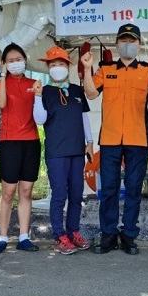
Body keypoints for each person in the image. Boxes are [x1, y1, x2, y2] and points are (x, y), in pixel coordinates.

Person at [81, 23, 148, 255]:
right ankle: (108, 234)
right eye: (123, 40)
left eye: (132, 40)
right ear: (117, 44)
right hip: (110, 138)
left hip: (138, 139)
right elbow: (91, 93)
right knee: (109, 189)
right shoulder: (106, 69)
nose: (128, 44)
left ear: (139, 44)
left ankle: (129, 235)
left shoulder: (147, 70)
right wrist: (87, 68)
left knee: (134, 188)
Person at [32, 46, 94, 255]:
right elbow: (40, 119)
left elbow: (84, 117)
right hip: (57, 151)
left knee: (77, 193)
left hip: (77, 150)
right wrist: (37, 96)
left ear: (68, 66)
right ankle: (59, 235)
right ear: (48, 68)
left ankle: (73, 231)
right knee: (59, 194)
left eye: (61, 64)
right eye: (53, 64)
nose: (57, 67)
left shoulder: (77, 90)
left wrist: (90, 141)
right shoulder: (45, 91)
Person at [0, 43, 41, 253]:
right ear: (3, 63)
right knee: (8, 191)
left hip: (31, 141)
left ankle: (23, 236)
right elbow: (1, 104)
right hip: (9, 142)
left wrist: (39, 93)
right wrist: (3, 75)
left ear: (25, 61)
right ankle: (3, 237)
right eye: (10, 60)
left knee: (26, 191)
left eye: (18, 59)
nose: (15, 63)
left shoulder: (34, 84)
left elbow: (40, 113)